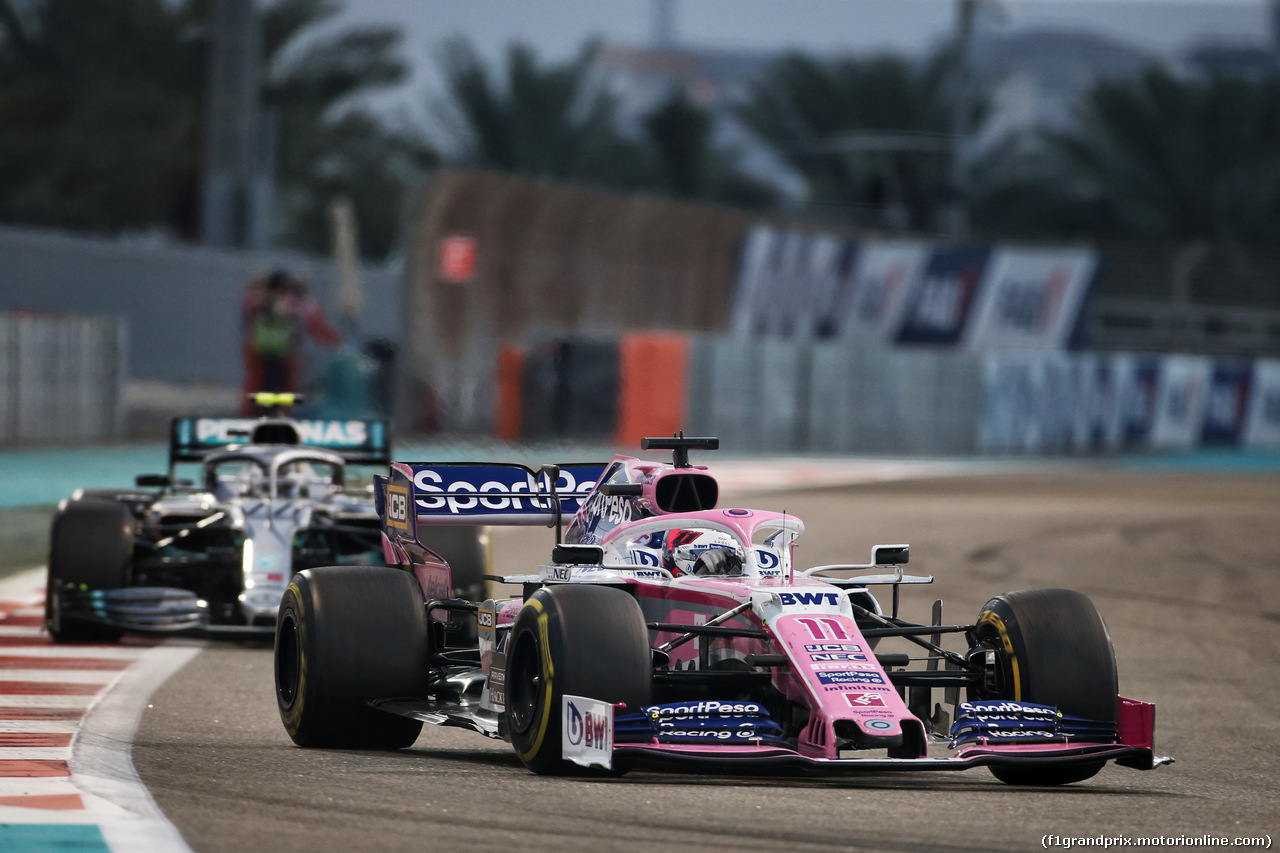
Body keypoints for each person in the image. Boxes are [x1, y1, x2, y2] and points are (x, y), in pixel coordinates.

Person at [240, 270, 342, 414]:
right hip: (281, 350)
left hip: (263, 348)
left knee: (263, 384)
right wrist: (338, 344)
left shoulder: (259, 299)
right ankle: (272, 411)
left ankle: (261, 411)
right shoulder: (292, 303)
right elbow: (315, 326)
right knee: (278, 385)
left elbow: (248, 320)